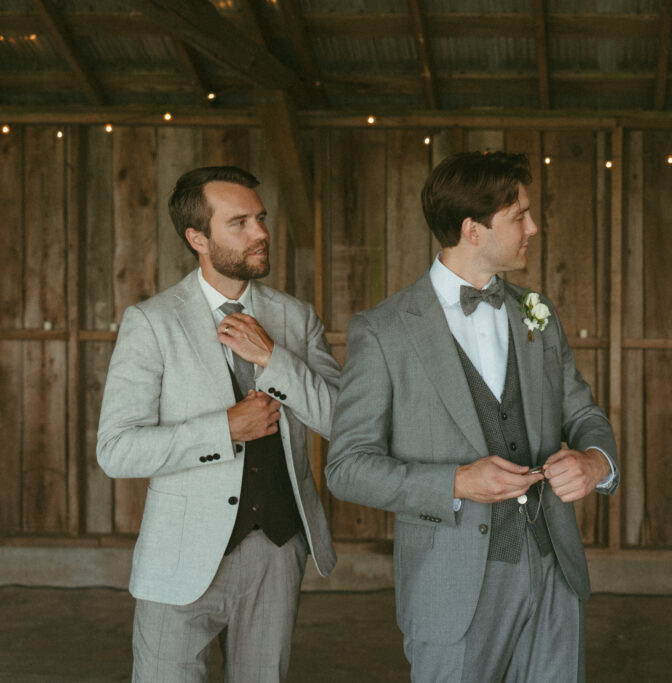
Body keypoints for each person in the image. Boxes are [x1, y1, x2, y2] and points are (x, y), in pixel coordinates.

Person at [325, 150, 619, 682]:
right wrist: (456, 481)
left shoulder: (539, 313)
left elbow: (584, 413)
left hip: (554, 571)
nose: (534, 226)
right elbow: (347, 467)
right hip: (451, 586)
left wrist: (596, 462)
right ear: (472, 230)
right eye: (519, 216)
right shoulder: (385, 330)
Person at [97, 166, 340, 682]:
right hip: (180, 553)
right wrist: (223, 429)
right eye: (240, 223)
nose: (261, 233)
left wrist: (275, 359)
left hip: (277, 550)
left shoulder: (296, 319)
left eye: (260, 218)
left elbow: (344, 420)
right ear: (197, 238)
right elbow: (117, 450)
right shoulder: (153, 321)